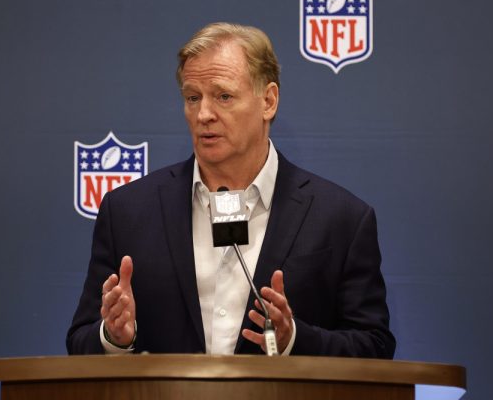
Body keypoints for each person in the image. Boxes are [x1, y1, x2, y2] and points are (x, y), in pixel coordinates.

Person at [66, 22, 395, 357]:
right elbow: (80, 341)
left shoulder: (341, 219)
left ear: (268, 101)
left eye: (223, 96)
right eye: (192, 98)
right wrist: (114, 336)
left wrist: (294, 339)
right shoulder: (127, 212)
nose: (203, 114)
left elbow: (374, 347)